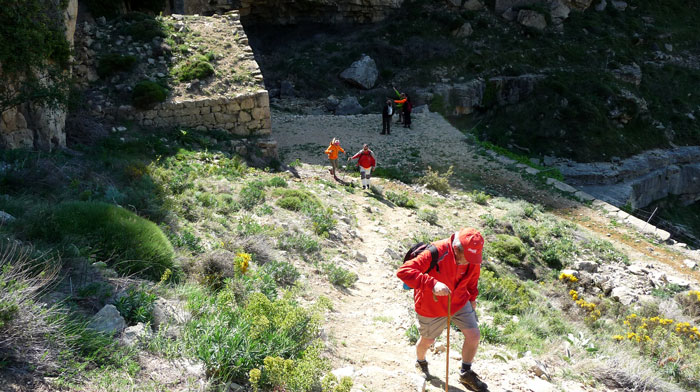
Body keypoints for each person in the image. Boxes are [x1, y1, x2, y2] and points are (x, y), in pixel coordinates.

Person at [396, 228, 489, 392]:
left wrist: (472, 298)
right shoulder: (436, 251)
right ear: (456, 249)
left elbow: (473, 278)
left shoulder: (471, 257)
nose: (469, 262)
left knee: (474, 335)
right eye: (466, 258)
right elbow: (404, 272)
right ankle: (421, 361)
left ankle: (465, 373)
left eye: (473, 259)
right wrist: (432, 284)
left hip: (459, 300)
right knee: (428, 340)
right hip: (431, 305)